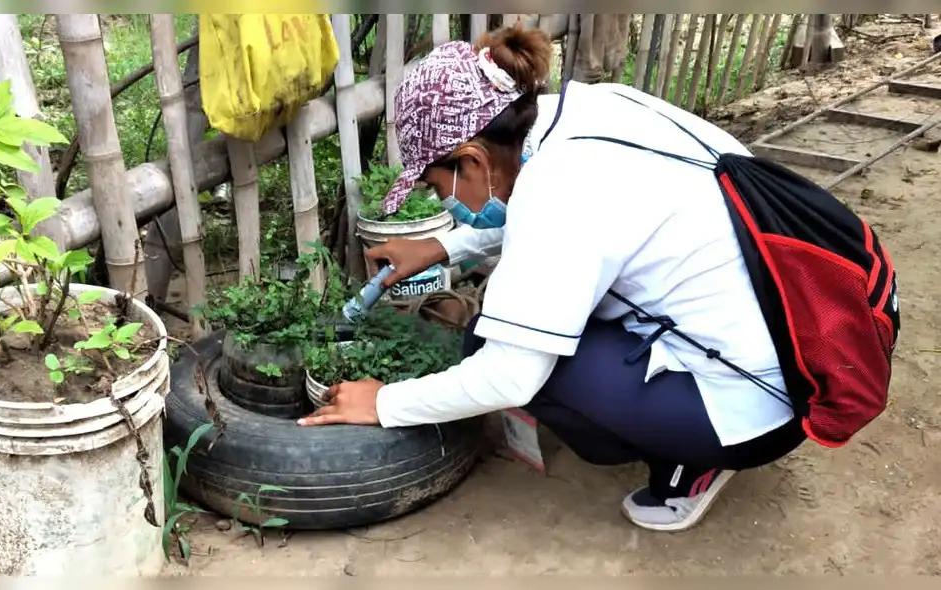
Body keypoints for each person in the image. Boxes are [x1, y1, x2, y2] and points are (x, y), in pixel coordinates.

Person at [298, 25, 807, 532]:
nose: (442, 201)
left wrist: (383, 402)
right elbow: (574, 219)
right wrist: (441, 245)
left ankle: (693, 463)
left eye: (437, 185)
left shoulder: (557, 190)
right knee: (511, 334)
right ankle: (684, 422)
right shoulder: (587, 112)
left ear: (473, 159)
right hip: (790, 344)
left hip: (756, 406)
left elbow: (510, 376)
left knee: (497, 355)